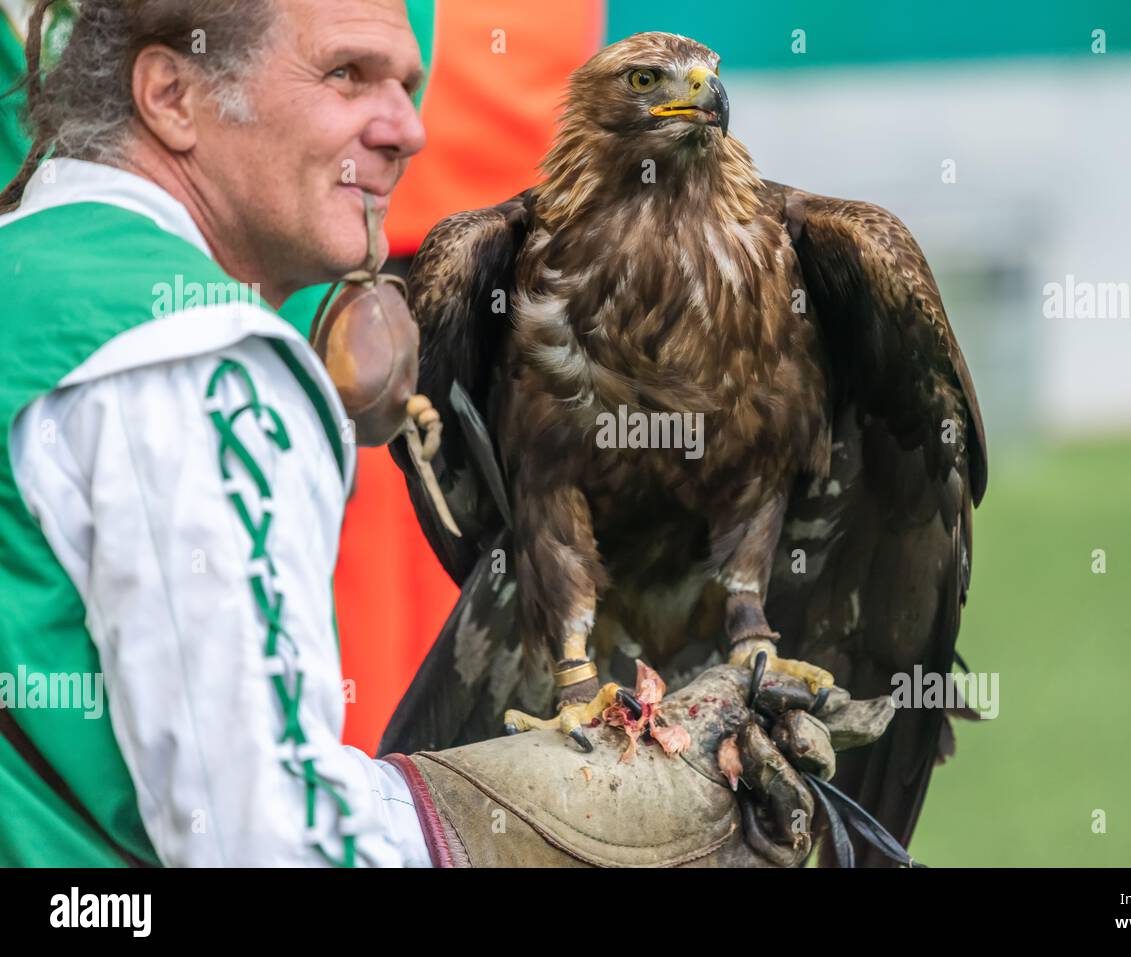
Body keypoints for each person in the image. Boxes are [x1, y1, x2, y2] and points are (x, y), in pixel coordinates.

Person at [0, 0, 860, 867]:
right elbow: (269, 840)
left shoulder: (30, 279)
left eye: (409, 85)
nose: (409, 130)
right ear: (171, 94)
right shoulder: (191, 367)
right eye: (348, 75)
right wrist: (481, 825)